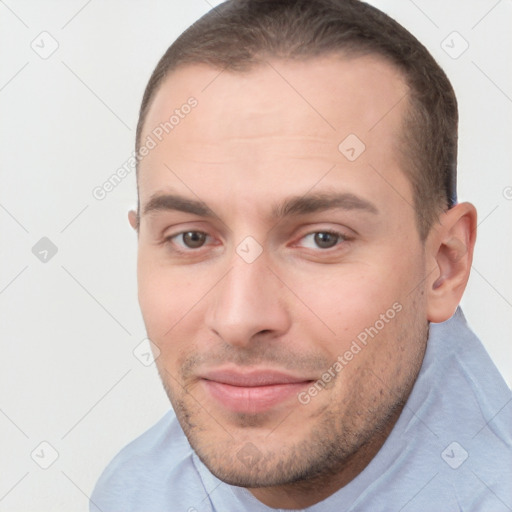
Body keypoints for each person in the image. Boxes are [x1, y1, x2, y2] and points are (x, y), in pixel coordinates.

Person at [90, 0, 512, 510]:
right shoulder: (137, 491)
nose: (240, 319)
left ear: (444, 265)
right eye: (192, 238)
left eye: (323, 239)